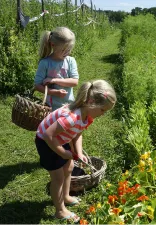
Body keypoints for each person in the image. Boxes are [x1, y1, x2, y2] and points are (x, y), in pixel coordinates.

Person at [35, 80, 117, 222]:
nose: (103, 114)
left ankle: (65, 197)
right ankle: (60, 211)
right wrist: (62, 152)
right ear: (91, 102)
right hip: (46, 141)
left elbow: (77, 133)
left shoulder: (86, 116)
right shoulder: (72, 118)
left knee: (69, 167)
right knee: (58, 177)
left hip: (60, 138)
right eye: (103, 110)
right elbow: (48, 134)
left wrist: (77, 153)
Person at [34, 26, 79, 111]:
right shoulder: (45, 63)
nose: (67, 53)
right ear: (53, 45)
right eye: (63, 50)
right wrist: (55, 92)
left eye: (69, 50)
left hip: (69, 106)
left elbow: (75, 81)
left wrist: (54, 80)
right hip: (50, 108)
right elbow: (37, 85)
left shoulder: (71, 61)